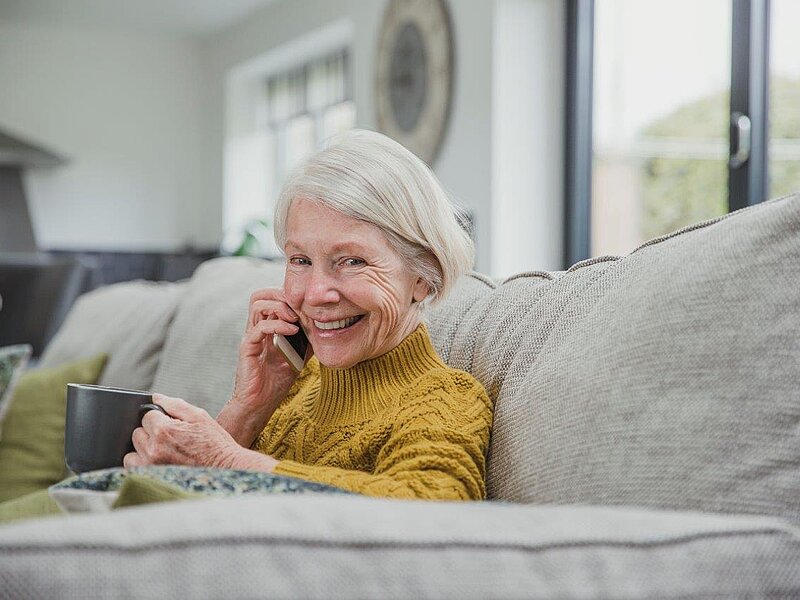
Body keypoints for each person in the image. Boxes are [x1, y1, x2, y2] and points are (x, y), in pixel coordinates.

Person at [123, 130, 493, 500]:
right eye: (300, 260)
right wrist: (248, 408)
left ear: (423, 278)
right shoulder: (293, 383)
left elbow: (435, 511)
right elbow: (192, 519)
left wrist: (224, 458)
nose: (315, 295)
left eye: (352, 261)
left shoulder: (446, 399)